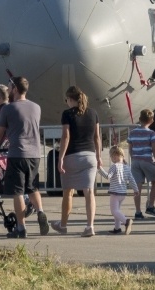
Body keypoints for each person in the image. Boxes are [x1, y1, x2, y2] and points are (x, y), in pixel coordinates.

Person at [0, 76, 49, 238]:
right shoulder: (36, 107)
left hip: (17, 154)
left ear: (15, 89)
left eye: (10, 87)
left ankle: (21, 227)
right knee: (32, 187)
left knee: (18, 192)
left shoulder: (8, 109)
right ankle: (40, 211)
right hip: (35, 154)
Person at [49, 86, 102, 237]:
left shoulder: (67, 114)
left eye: (67, 100)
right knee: (89, 192)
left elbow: (66, 137)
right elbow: (97, 137)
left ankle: (63, 225)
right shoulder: (93, 113)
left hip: (72, 156)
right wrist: (98, 156)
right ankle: (89, 226)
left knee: (68, 192)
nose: (66, 103)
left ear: (71, 99)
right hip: (90, 156)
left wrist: (60, 158)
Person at [129, 109, 155, 219]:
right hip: (146, 160)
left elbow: (130, 148)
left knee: (137, 188)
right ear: (151, 120)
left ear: (140, 119)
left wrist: (133, 158)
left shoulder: (132, 133)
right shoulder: (151, 133)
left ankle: (138, 212)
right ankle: (150, 206)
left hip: (135, 161)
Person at [106, 145, 138, 235]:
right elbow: (131, 179)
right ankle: (117, 228)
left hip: (115, 193)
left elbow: (107, 176)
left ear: (114, 156)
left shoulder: (114, 166)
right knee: (117, 210)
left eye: (111, 156)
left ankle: (126, 221)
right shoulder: (127, 167)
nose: (111, 158)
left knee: (114, 211)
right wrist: (136, 190)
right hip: (123, 193)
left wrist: (99, 169)